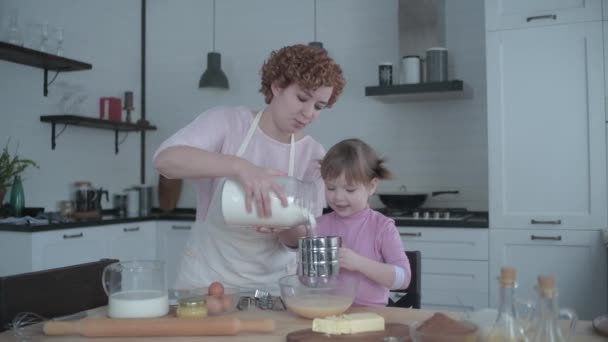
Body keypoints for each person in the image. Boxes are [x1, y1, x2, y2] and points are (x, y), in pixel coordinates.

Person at [153, 44, 346, 290]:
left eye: (319, 106)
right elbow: (165, 161)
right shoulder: (228, 123)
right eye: (302, 98)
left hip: (273, 288)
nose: (308, 113)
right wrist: (239, 167)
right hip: (206, 281)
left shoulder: (315, 156)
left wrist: (285, 225)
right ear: (277, 86)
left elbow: (304, 237)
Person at [315, 138, 411, 307]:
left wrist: (358, 263)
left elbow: (403, 279)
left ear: (372, 186)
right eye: (330, 188)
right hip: (327, 312)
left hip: (371, 315)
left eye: (350, 189)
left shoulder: (382, 227)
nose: (338, 197)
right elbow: (305, 279)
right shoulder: (318, 226)